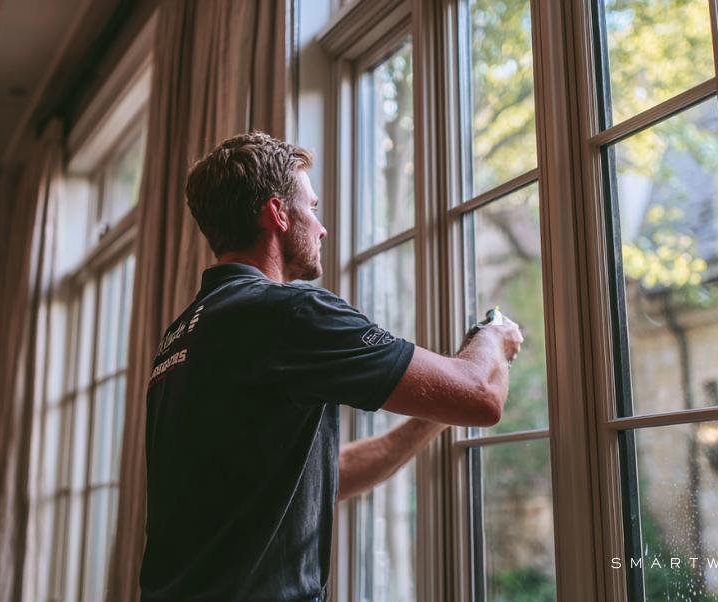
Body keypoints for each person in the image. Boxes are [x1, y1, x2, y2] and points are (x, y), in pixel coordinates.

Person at [139, 131, 523, 601]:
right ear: (277, 213)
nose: (321, 228)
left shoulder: (185, 332)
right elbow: (481, 396)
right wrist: (493, 337)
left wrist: (429, 416)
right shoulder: (286, 312)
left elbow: (305, 479)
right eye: (312, 207)